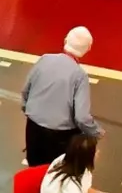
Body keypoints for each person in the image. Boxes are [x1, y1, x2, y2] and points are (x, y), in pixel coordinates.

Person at [20, 27, 100, 168]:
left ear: (65, 41)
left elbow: (25, 92)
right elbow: (82, 117)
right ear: (88, 49)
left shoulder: (44, 60)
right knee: (55, 174)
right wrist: (96, 132)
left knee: (34, 169)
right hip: (60, 137)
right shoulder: (79, 75)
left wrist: (31, 113)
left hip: (33, 129)